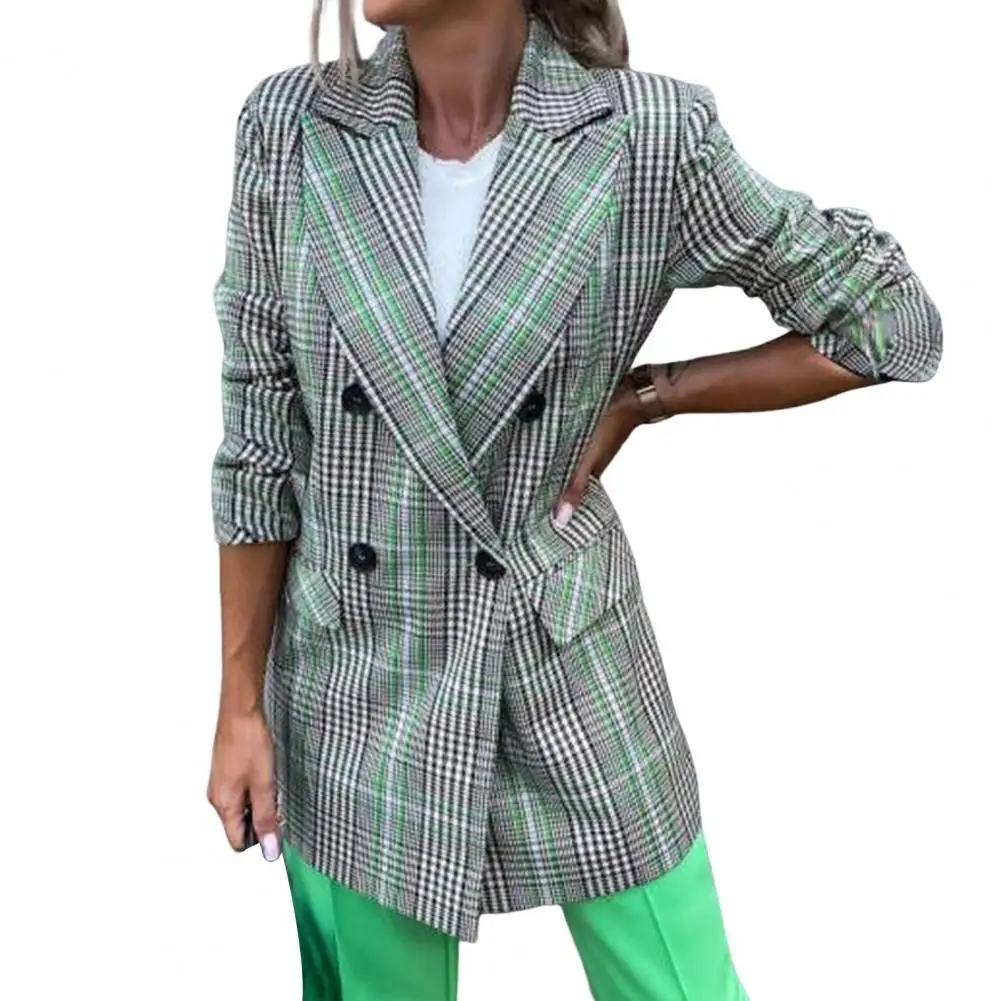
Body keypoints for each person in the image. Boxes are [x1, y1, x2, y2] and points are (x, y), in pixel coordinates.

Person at [206, 1, 943, 997]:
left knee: (680, 983)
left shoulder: (648, 137)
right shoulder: (292, 127)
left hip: (565, 650)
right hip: (356, 669)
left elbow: (889, 322)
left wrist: (650, 395)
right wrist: (239, 704)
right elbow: (258, 438)